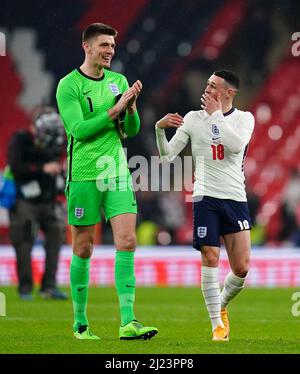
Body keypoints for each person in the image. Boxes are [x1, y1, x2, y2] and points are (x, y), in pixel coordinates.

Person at [56, 23, 158, 340]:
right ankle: (81, 324)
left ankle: (128, 321)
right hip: (84, 174)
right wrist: (115, 109)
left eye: (112, 46)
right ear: (87, 47)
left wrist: (130, 107)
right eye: (104, 45)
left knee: (127, 241)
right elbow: (79, 130)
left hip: (116, 171)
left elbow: (130, 130)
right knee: (83, 248)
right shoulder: (68, 85)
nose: (110, 51)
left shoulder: (118, 82)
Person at [155, 70, 255, 341]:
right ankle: (216, 326)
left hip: (235, 197)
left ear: (229, 93)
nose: (207, 89)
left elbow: (235, 145)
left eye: (213, 86)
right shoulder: (191, 119)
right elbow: (167, 156)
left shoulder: (244, 119)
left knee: (242, 268)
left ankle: (220, 306)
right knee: (210, 256)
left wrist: (215, 116)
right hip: (204, 196)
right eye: (207, 84)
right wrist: (159, 130)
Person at [7, 106, 67, 301]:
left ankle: (49, 287)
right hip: (26, 202)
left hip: (50, 201)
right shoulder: (20, 140)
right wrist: (43, 168)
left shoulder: (56, 141)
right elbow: (15, 167)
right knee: (24, 244)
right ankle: (25, 288)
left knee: (56, 241)